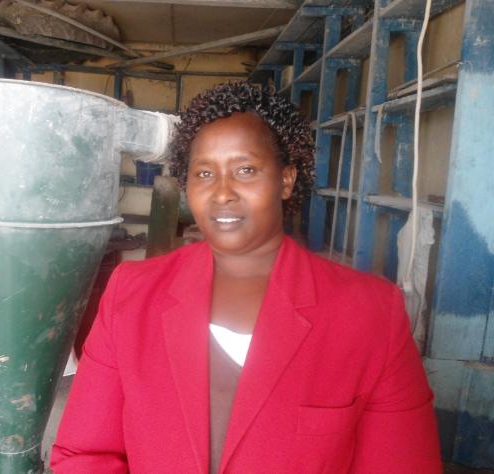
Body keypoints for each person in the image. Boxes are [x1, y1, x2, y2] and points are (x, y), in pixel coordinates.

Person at [51, 82, 442, 473]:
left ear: (286, 180)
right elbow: (85, 454)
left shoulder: (370, 314)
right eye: (205, 172)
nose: (222, 192)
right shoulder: (132, 294)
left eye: (245, 170)